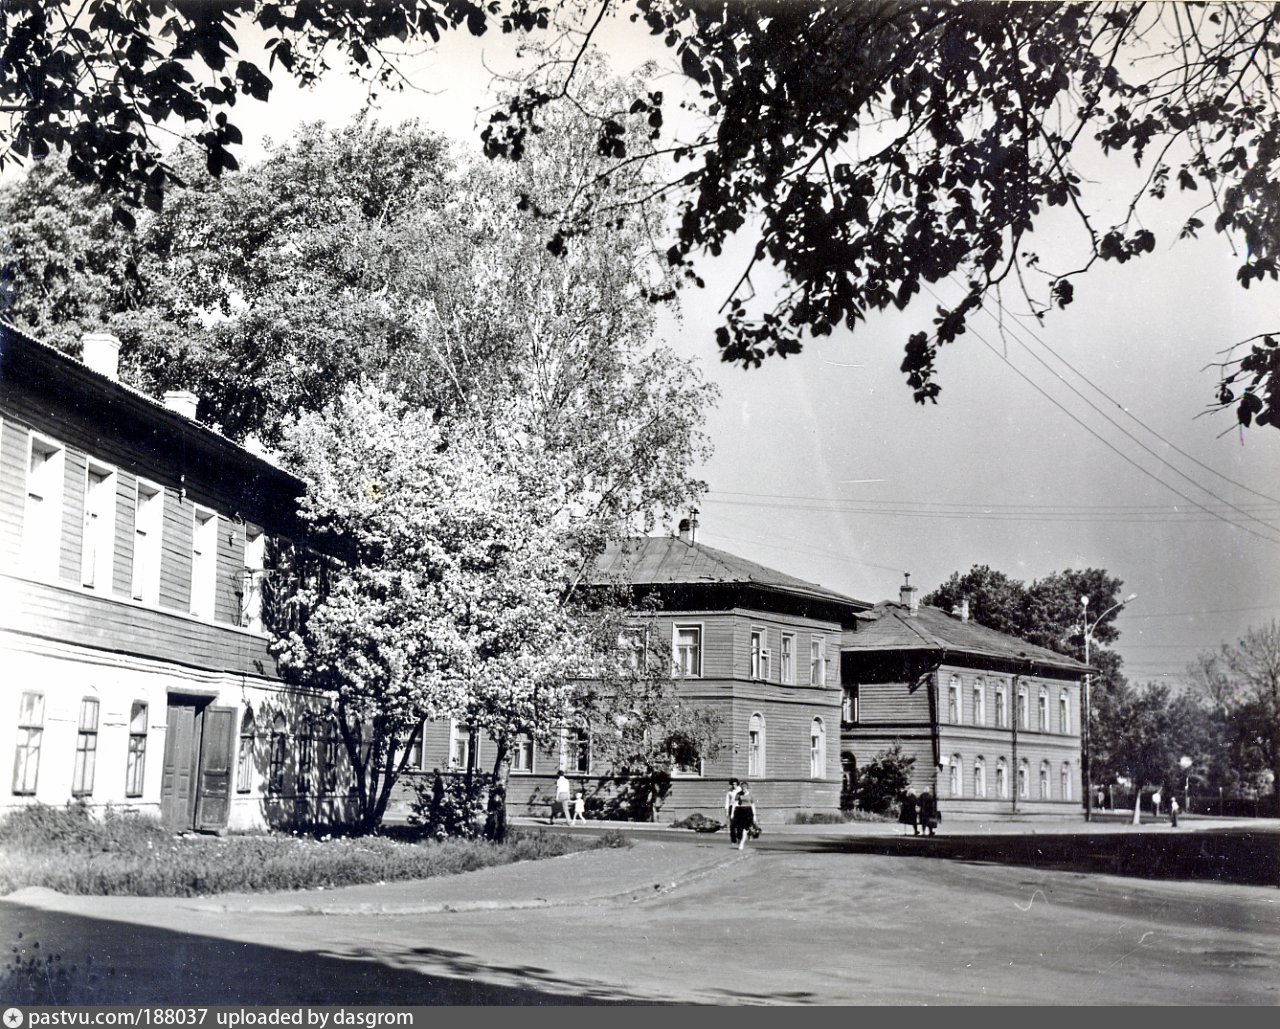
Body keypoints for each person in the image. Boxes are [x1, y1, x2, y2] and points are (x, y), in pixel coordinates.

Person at [731, 783, 757, 851]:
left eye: (745, 788)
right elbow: (735, 804)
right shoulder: (738, 794)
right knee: (739, 828)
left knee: (745, 829)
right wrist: (732, 813)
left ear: (747, 788)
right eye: (742, 788)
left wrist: (754, 815)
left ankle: (742, 843)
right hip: (740, 811)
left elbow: (753, 805)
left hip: (748, 811)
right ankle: (740, 840)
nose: (743, 790)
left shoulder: (751, 795)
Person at [724, 778, 742, 844]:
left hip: (739, 807)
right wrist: (726, 810)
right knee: (732, 825)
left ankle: (739, 838)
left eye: (735, 784)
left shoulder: (740, 790)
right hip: (731, 807)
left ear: (737, 784)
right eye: (733, 784)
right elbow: (727, 801)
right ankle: (733, 840)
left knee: (739, 824)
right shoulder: (730, 791)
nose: (734, 785)